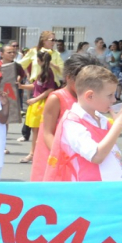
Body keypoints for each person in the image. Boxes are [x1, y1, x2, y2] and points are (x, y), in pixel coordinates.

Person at [44, 65, 122, 182]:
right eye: (110, 95)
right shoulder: (72, 123)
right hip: (91, 193)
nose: (114, 100)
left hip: (109, 190)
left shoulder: (101, 119)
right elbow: (96, 156)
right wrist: (118, 125)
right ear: (90, 96)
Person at [30, 53, 103, 181]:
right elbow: (47, 134)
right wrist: (64, 157)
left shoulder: (88, 97)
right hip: (59, 158)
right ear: (69, 78)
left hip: (81, 156)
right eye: (84, 82)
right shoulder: (56, 98)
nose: (88, 86)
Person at [20, 51, 59, 164]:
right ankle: (35, 154)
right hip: (37, 103)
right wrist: (22, 86)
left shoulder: (47, 73)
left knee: (38, 131)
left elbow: (50, 89)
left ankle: (33, 154)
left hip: (41, 104)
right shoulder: (43, 72)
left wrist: (35, 99)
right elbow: (36, 86)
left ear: (39, 60)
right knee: (36, 131)